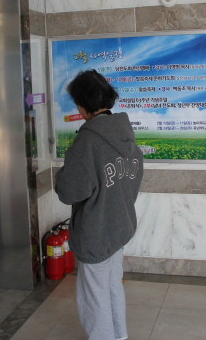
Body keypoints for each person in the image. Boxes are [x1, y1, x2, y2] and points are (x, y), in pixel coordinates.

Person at [54, 69, 144, 340]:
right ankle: (120, 336)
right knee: (113, 285)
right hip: (120, 227)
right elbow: (133, 179)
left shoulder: (88, 141)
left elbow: (69, 192)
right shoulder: (125, 134)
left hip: (97, 232)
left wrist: (62, 176)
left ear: (82, 105)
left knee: (94, 298)